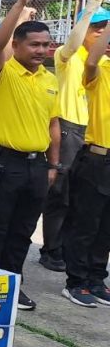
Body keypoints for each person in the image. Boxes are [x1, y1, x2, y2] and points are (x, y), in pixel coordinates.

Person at [0, 0, 59, 311]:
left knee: (22, 231)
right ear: (17, 45)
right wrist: (19, 4)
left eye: (45, 45)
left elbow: (52, 125)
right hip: (3, 164)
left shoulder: (49, 80)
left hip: (36, 166)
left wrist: (53, 165)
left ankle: (11, 285)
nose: (41, 50)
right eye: (34, 44)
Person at [40, 0, 107, 272]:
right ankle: (51, 249)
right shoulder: (69, 55)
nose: (101, 31)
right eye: (95, 27)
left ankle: (69, 249)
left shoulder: (101, 62)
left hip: (91, 134)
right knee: (60, 194)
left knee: (82, 198)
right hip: (68, 127)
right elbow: (73, 42)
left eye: (104, 27)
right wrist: (90, 8)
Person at [62, 18, 110, 307]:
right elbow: (91, 60)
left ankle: (96, 278)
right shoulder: (101, 71)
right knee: (86, 223)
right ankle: (76, 282)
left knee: (106, 227)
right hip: (97, 158)